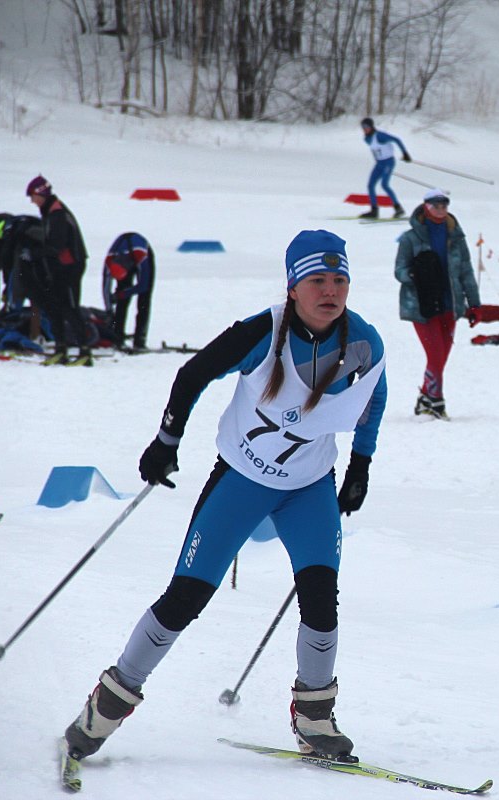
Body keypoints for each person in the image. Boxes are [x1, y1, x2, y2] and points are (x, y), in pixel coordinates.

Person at [61, 229, 388, 764]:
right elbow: (193, 374)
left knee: (320, 600)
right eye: (317, 280)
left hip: (309, 488)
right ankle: (107, 705)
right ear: (293, 286)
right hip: (241, 482)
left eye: (339, 280)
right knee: (185, 599)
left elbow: (373, 400)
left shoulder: (364, 341)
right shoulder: (263, 331)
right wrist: (166, 441)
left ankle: (315, 719)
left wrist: (361, 465)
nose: (330, 290)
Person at [394, 188, 481, 419]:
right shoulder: (411, 238)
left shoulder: (456, 237)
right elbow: (399, 270)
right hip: (422, 306)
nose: (440, 210)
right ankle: (436, 402)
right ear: (426, 207)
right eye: (435, 206)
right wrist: (415, 275)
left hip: (450, 305)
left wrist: (474, 304)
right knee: (435, 356)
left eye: (444, 206)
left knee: (441, 358)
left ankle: (425, 398)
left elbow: (466, 271)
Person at [26, 175, 90, 366]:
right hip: (59, 268)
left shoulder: (57, 213)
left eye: (32, 196)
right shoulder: (49, 211)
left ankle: (85, 352)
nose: (32, 201)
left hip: (70, 268)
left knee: (70, 308)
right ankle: (60, 349)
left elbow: (57, 246)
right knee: (55, 308)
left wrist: (34, 254)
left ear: (41, 194)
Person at [103, 232, 156, 351]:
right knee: (121, 301)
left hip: (141, 254)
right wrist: (109, 309)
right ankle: (117, 336)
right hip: (124, 256)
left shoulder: (141, 256)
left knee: (144, 300)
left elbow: (143, 286)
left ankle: (140, 340)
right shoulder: (109, 260)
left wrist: (123, 293)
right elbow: (105, 287)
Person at [360, 117, 411, 220]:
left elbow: (397, 140)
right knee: (370, 185)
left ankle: (398, 208)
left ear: (371, 126)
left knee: (384, 185)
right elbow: (376, 151)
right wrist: (378, 160)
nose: (365, 129)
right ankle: (374, 210)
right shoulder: (367, 139)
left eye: (366, 127)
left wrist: (405, 153)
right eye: (363, 127)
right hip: (379, 163)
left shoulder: (380, 136)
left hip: (388, 162)